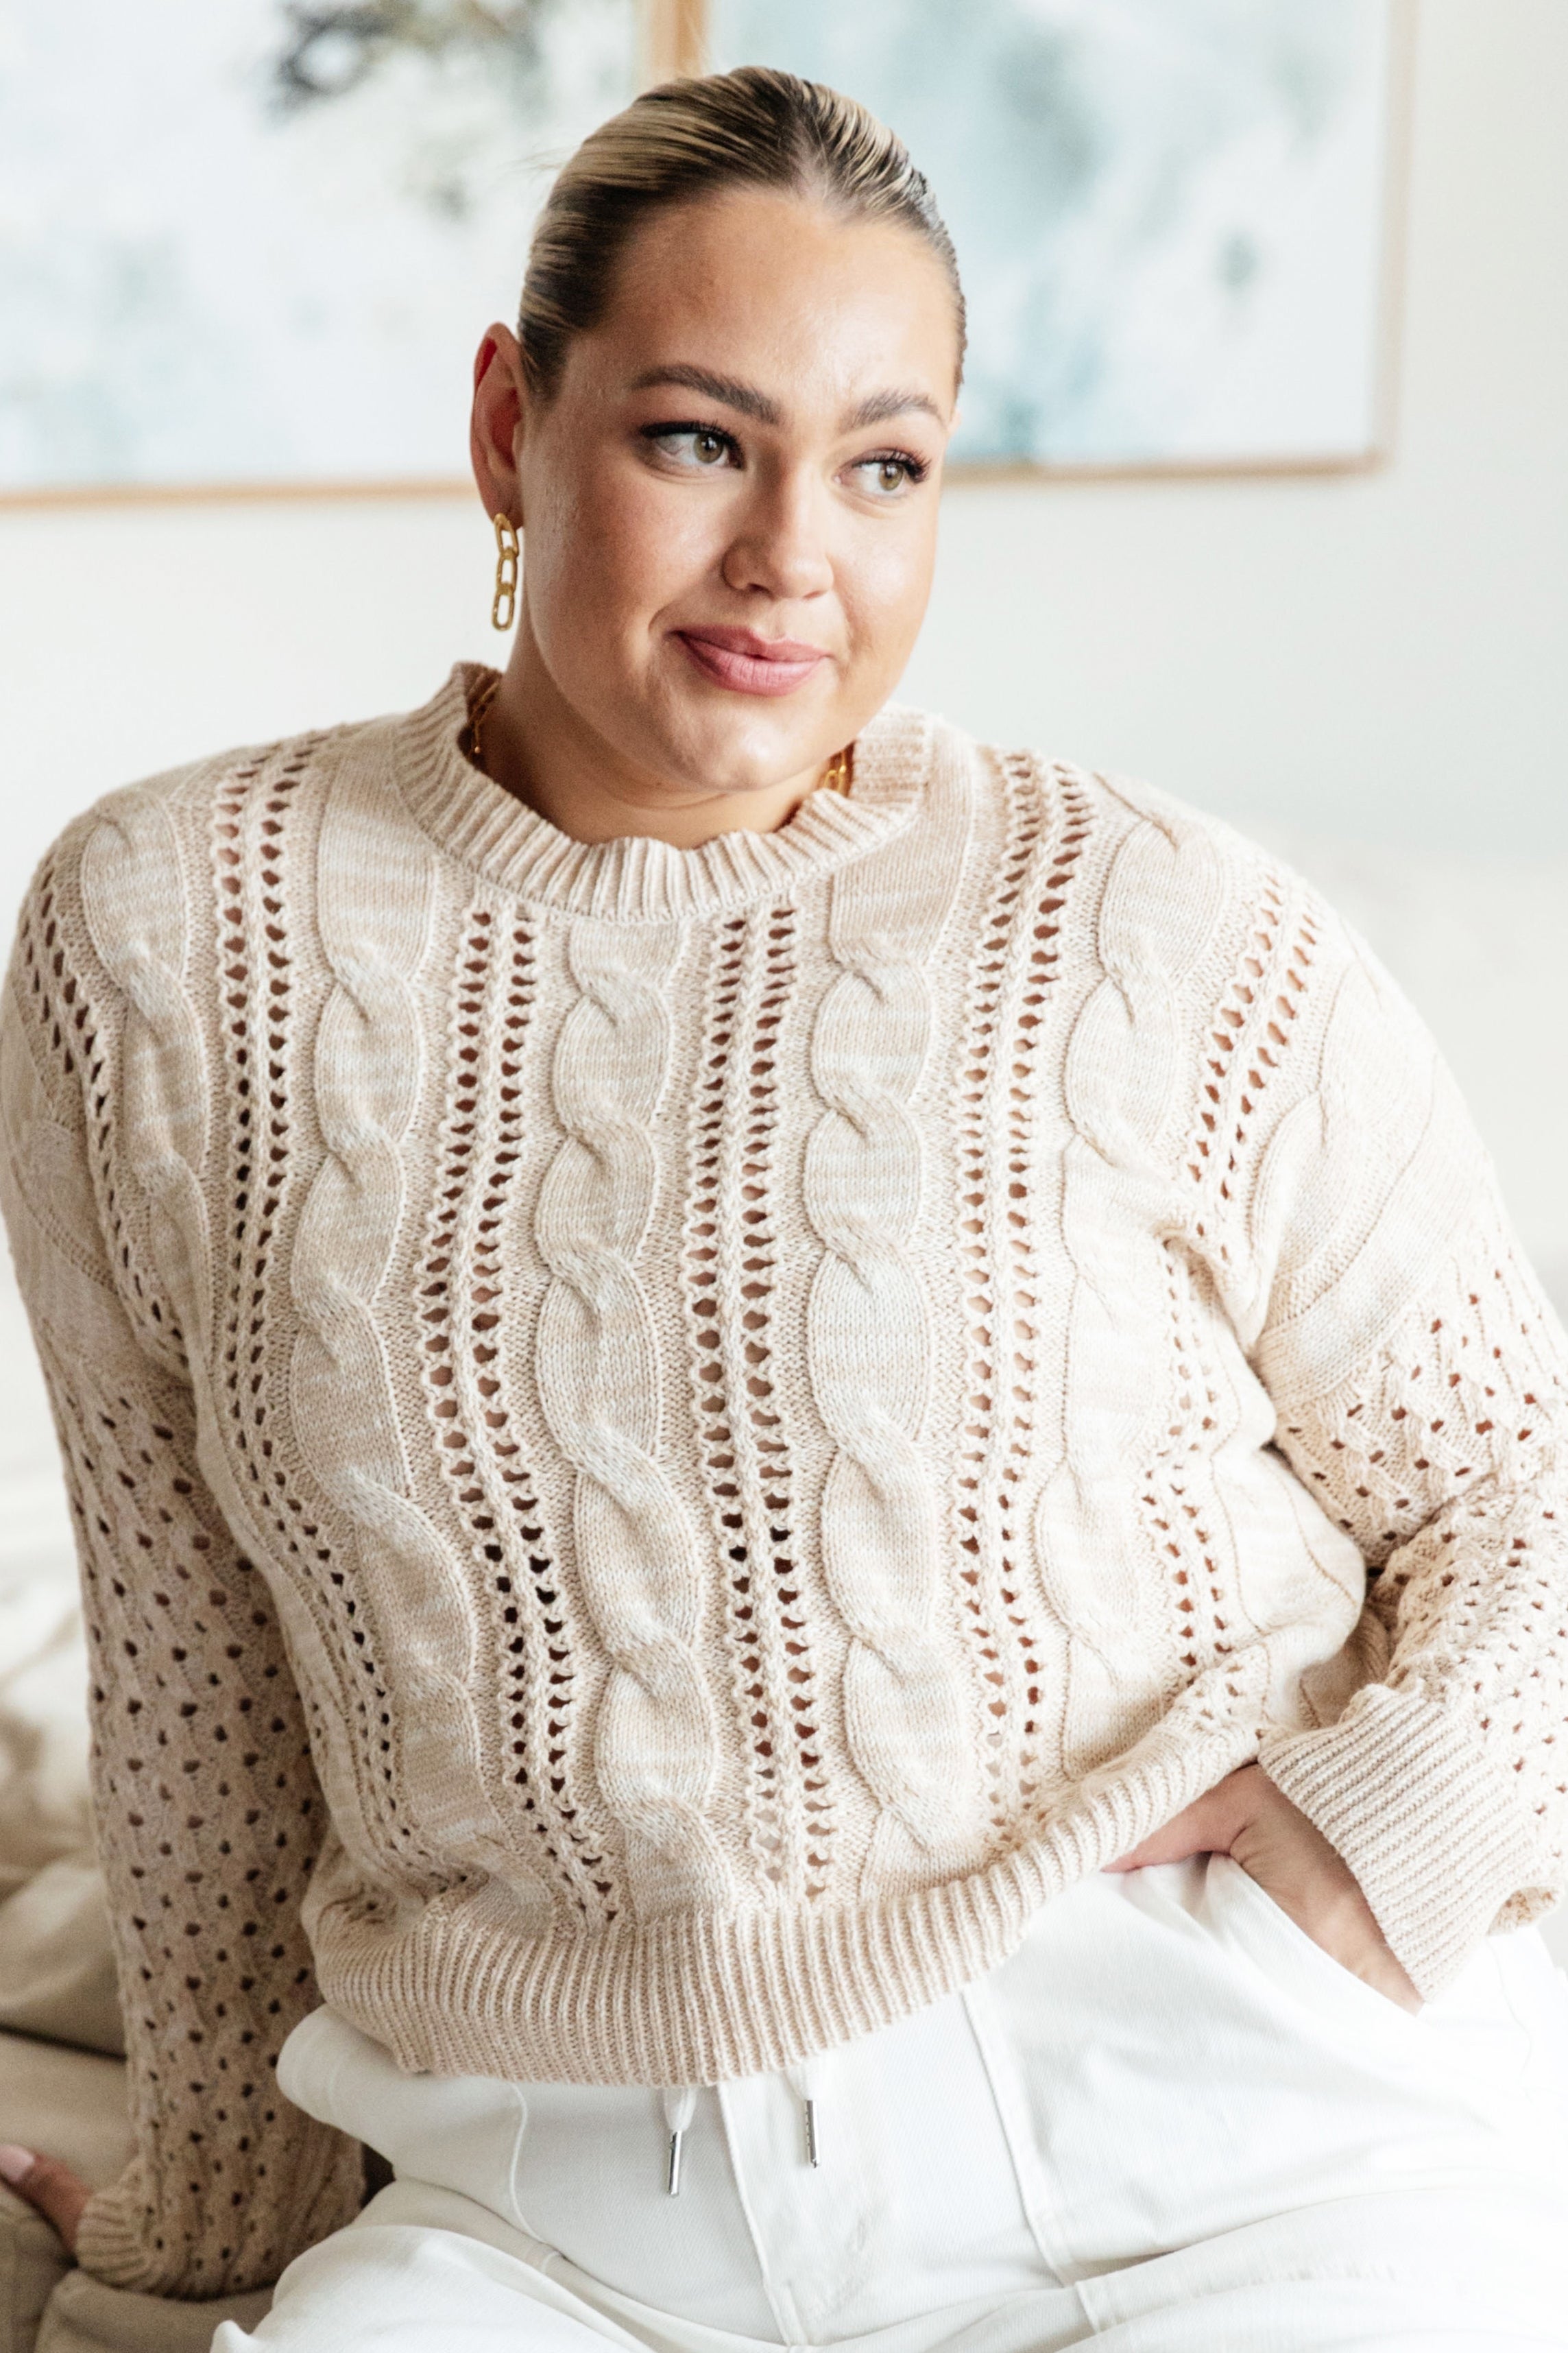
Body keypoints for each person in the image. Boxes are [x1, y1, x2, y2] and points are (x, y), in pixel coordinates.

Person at [1, 64, 1566, 2352]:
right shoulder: (165, 934)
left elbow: (1515, 1478)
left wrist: (1388, 1838)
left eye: (885, 464)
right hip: (553, 2210)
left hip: (1208, 2130)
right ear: (509, 427)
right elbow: (200, 1668)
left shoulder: (1154, 923)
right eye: (697, 441)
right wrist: (218, 2218)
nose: (792, 561)